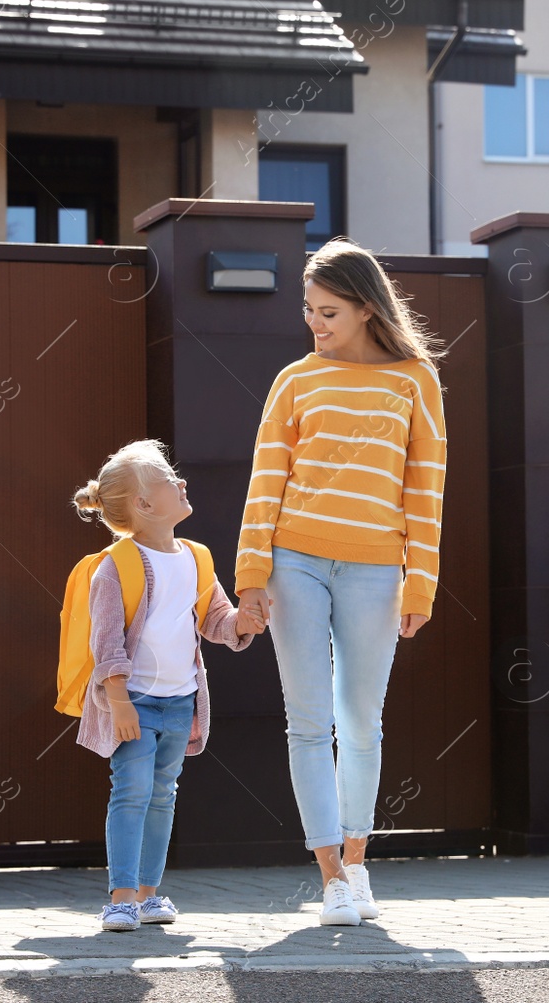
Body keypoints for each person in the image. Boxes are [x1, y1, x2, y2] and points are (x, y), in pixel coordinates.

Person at [234, 238, 448, 927]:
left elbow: (425, 490)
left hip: (377, 567)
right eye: (309, 309)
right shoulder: (295, 381)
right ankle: (329, 877)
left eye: (328, 311)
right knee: (307, 722)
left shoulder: (415, 379)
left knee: (361, 722)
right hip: (293, 559)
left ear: (364, 307)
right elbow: (266, 481)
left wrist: (421, 585)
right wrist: (251, 576)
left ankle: (357, 864)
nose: (314, 323)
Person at [72, 439, 263, 932]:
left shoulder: (197, 558)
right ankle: (120, 898)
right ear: (143, 504)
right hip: (133, 700)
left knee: (162, 794)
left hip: (181, 702)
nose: (181, 481)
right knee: (132, 791)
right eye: (167, 477)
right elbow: (106, 642)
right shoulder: (117, 566)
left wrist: (244, 621)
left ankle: (150, 894)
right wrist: (119, 703)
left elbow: (217, 621)